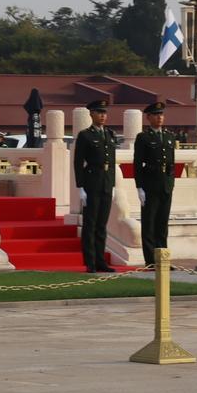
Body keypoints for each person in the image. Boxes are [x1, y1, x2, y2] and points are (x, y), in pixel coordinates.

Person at [73, 100, 117, 273]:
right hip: (91, 183)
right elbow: (78, 163)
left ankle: (101, 261)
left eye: (104, 113)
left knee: (102, 225)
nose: (102, 116)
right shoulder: (85, 135)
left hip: (106, 182)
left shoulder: (109, 134)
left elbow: (112, 162)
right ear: (91, 114)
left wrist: (113, 184)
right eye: (99, 112)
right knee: (90, 224)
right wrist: (80, 187)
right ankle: (90, 262)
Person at [134, 101, 177, 266]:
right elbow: (138, 164)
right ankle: (151, 260)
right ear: (149, 117)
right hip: (150, 185)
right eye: (156, 115)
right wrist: (139, 187)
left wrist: (171, 182)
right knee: (149, 224)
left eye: (161, 115)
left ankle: (162, 259)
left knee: (162, 224)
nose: (160, 118)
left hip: (165, 185)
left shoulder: (169, 136)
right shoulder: (143, 137)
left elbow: (172, 162)